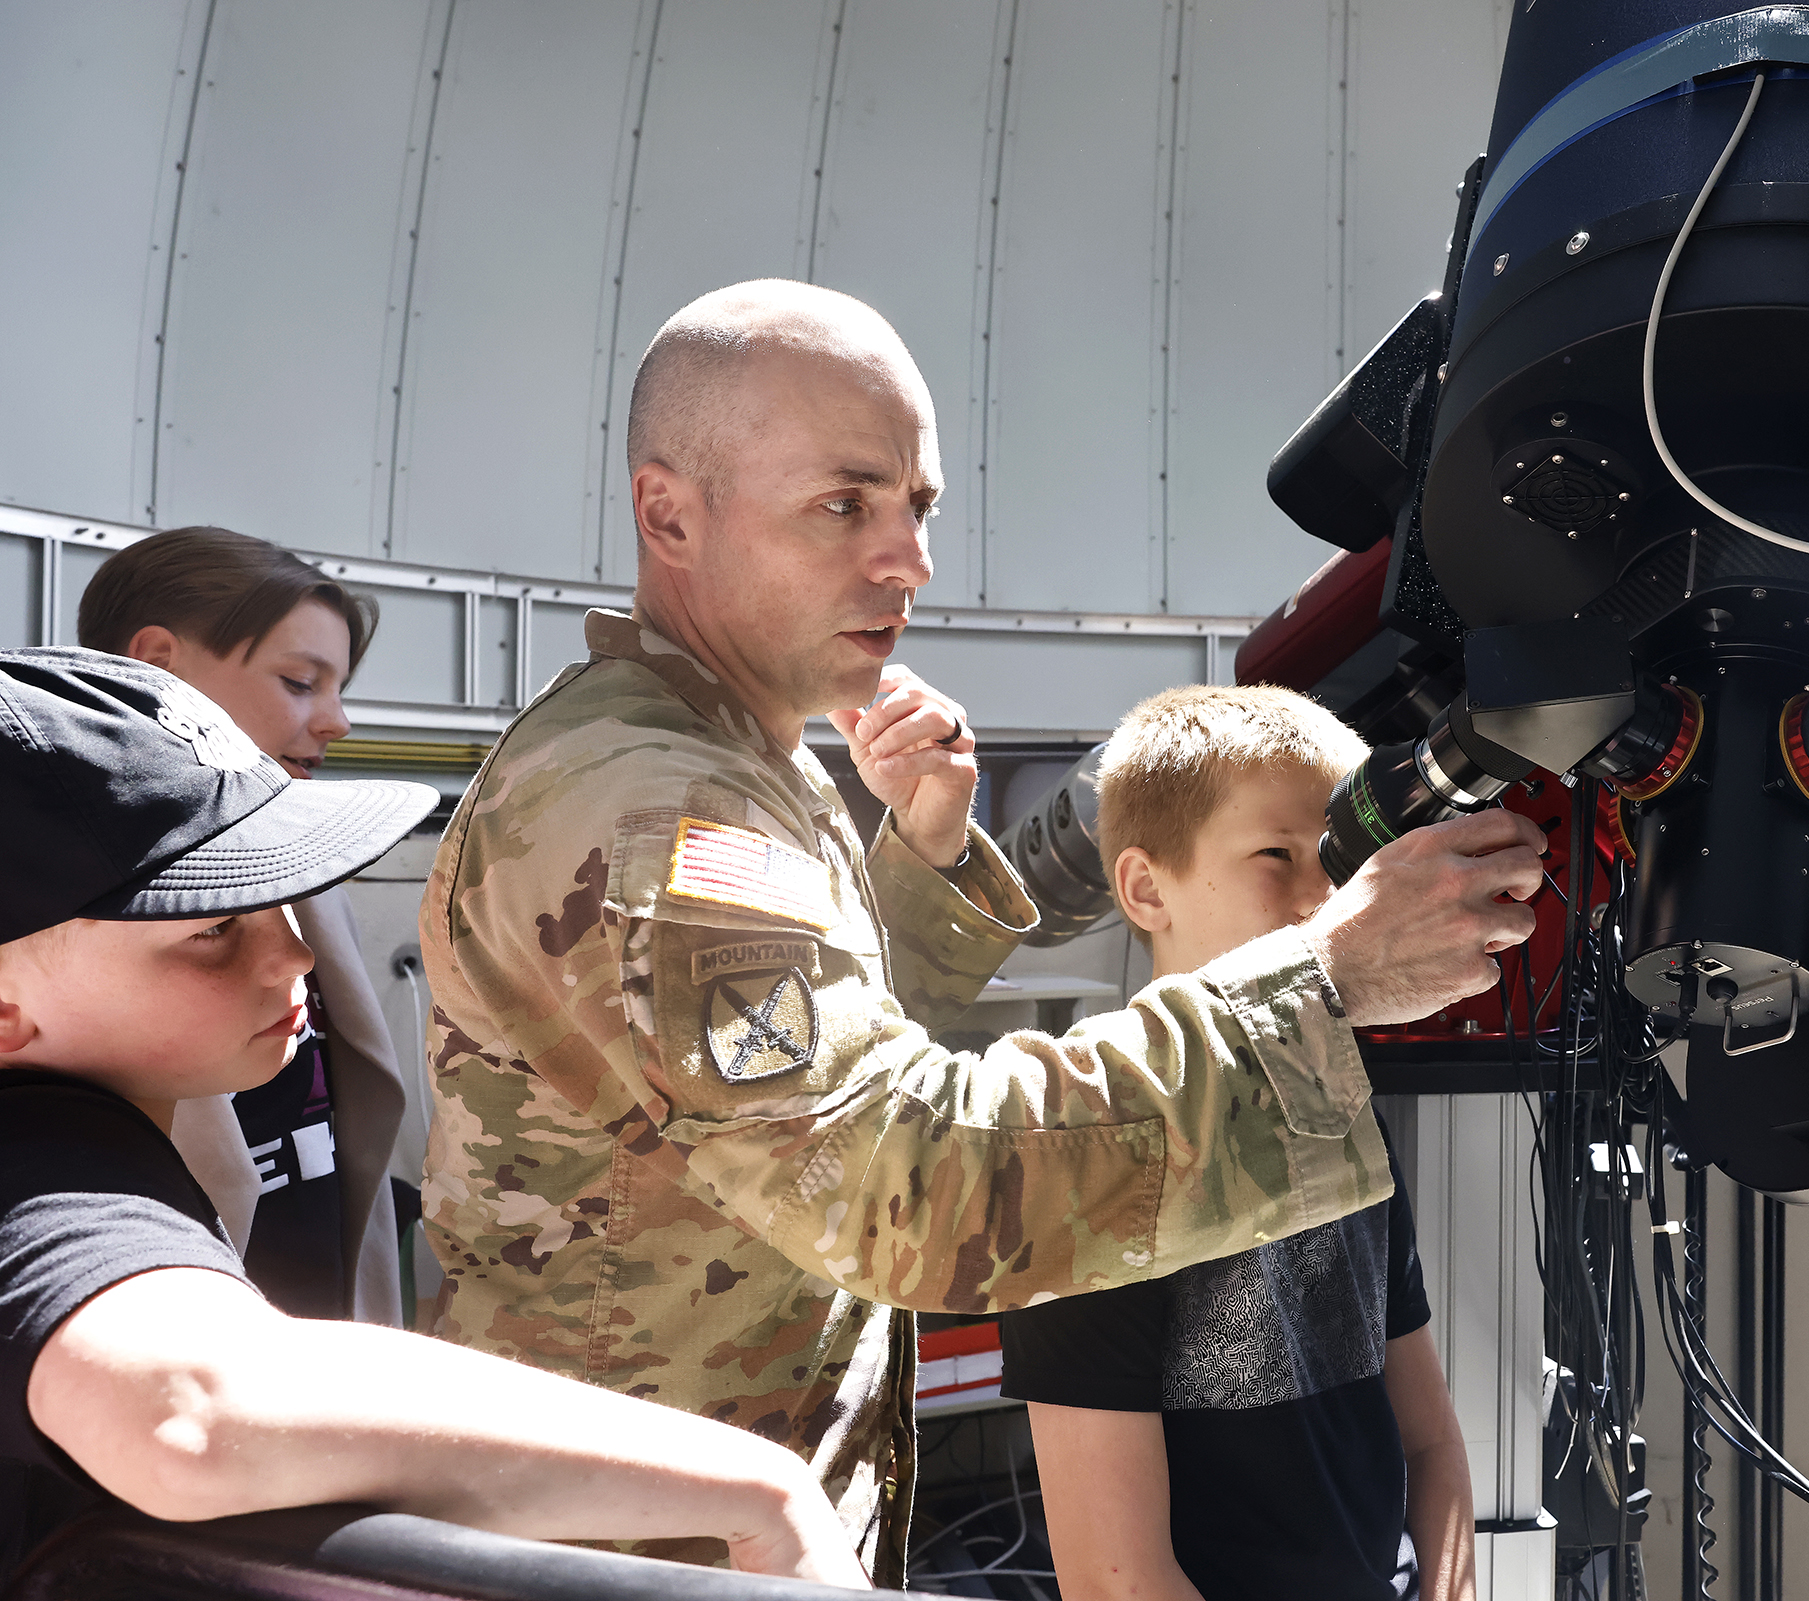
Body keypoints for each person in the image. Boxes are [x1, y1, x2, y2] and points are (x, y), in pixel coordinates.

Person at [417, 277, 1545, 1582]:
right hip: (629, 1558)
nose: (909, 560)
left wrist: (927, 856)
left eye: (917, 506)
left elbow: (781, 1077)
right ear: (670, 512)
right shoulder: (655, 813)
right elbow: (902, 1184)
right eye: (844, 503)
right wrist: (1326, 977)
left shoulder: (734, 766)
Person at [0, 648, 869, 1587]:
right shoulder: (42, 1156)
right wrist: (762, 1486)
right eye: (212, 926)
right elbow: (187, 1410)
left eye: (274, 899)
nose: (293, 954)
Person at [1000, 685, 1475, 1601]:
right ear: (1146, 888)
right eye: (1277, 854)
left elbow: (1430, 1438)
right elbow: (1118, 1580)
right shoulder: (1092, 1153)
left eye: (1340, 858)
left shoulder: (1345, 1108)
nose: (1325, 896)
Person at [78, 527, 413, 1326]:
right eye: (301, 682)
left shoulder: (308, 865)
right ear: (158, 660)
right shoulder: (56, 905)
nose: (337, 720)